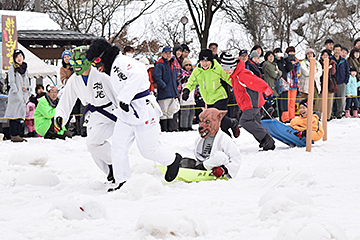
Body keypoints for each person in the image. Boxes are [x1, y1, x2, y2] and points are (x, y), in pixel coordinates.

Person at [86, 38, 183, 191]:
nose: (96, 66)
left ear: (104, 56)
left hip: (143, 109)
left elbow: (138, 74)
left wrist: (124, 98)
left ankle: (172, 160)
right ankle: (122, 181)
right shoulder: (112, 68)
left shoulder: (120, 62)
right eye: (93, 64)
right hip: (126, 114)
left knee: (148, 150)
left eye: (97, 61)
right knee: (118, 147)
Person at [54, 46, 119, 183]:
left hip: (109, 115)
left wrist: (127, 116)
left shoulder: (102, 77)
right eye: (73, 63)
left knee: (93, 142)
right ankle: (111, 171)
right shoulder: (74, 79)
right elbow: (67, 100)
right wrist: (60, 116)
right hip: (93, 116)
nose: (76, 66)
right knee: (92, 146)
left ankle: (118, 165)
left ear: (88, 62)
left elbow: (118, 98)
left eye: (79, 62)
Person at [182, 49, 240, 138]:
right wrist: (187, 90)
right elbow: (191, 81)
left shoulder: (218, 68)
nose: (204, 63)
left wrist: (239, 88)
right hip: (208, 100)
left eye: (207, 61)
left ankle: (227, 139)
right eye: (202, 61)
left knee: (215, 120)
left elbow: (229, 78)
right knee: (217, 122)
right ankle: (231, 124)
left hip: (220, 97)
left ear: (211, 61)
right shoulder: (197, 71)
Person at [227, 53, 276, 151]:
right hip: (248, 104)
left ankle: (267, 139)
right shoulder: (234, 75)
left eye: (227, 68)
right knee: (254, 122)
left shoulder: (242, 74)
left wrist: (268, 93)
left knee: (244, 121)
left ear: (232, 67)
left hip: (252, 103)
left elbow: (258, 82)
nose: (225, 71)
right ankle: (266, 143)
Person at [179, 108, 241, 178]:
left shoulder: (225, 139)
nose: (201, 125)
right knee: (184, 150)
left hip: (213, 165)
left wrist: (225, 169)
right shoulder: (200, 138)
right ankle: (183, 165)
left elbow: (236, 158)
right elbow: (195, 150)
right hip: (201, 161)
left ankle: (201, 168)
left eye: (207, 122)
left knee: (220, 156)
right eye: (201, 121)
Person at [4, 49, 31, 142]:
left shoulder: (25, 68)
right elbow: (11, 81)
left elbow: (27, 81)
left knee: (20, 115)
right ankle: (14, 134)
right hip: (16, 95)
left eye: (20, 56)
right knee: (14, 115)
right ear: (14, 59)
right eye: (17, 57)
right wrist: (15, 90)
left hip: (23, 94)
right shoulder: (12, 68)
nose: (19, 58)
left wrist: (27, 91)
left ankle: (19, 134)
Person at [152, 46, 180, 132]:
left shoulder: (172, 63)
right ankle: (164, 129)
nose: (168, 55)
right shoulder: (159, 64)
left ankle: (170, 128)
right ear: (162, 54)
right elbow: (156, 76)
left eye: (169, 53)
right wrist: (163, 86)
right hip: (164, 93)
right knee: (163, 112)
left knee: (171, 112)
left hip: (172, 92)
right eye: (166, 53)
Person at [330, 44, 350, 119]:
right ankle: (331, 113)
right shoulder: (330, 59)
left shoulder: (344, 61)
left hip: (341, 82)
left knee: (340, 99)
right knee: (332, 99)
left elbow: (347, 71)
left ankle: (339, 113)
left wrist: (345, 81)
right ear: (333, 50)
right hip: (332, 82)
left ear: (341, 51)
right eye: (336, 50)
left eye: (339, 50)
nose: (337, 51)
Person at [273, 48, 292, 122]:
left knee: (284, 102)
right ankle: (277, 117)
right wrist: (275, 58)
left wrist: (286, 58)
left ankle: (284, 118)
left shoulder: (284, 61)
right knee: (277, 102)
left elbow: (290, 68)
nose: (278, 54)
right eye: (277, 53)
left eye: (280, 53)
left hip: (283, 84)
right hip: (275, 84)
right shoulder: (274, 62)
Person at [262, 51, 282, 119]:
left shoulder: (274, 64)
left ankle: (274, 116)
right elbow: (273, 74)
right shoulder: (267, 64)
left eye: (272, 56)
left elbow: (280, 73)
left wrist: (277, 72)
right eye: (269, 56)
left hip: (274, 86)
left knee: (274, 104)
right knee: (270, 104)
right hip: (269, 86)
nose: (271, 58)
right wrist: (276, 72)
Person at [319, 49, 337, 121]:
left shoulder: (332, 62)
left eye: (327, 55)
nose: (325, 56)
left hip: (330, 83)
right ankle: (319, 115)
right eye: (324, 55)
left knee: (329, 100)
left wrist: (328, 69)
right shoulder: (319, 62)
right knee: (320, 100)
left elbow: (333, 72)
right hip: (320, 82)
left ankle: (328, 116)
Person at [179, 58, 195, 131]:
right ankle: (183, 126)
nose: (188, 67)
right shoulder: (182, 73)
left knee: (192, 112)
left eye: (189, 65)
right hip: (185, 95)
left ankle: (189, 125)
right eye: (186, 65)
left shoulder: (193, 74)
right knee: (185, 112)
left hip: (192, 96)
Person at [285, 46, 300, 121]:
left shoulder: (296, 61)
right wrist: (290, 64)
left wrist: (296, 64)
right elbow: (286, 70)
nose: (292, 54)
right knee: (287, 101)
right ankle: (287, 117)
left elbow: (299, 71)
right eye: (290, 52)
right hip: (287, 82)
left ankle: (292, 116)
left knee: (292, 102)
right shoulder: (285, 60)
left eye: (293, 52)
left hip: (294, 83)